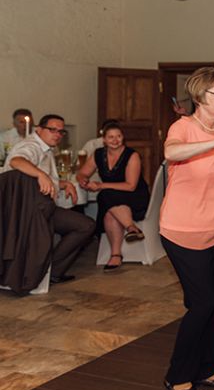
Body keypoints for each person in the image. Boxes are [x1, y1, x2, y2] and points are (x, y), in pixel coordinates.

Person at [159, 67, 214, 390]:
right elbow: (171, 152)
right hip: (183, 231)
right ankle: (177, 376)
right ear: (199, 97)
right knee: (202, 303)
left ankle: (209, 367)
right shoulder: (184, 127)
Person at [2, 114, 95, 284]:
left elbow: (47, 180)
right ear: (39, 129)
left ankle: (51, 270)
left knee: (86, 225)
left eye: (61, 131)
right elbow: (16, 161)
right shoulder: (32, 145)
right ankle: (43, 269)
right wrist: (40, 174)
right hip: (25, 212)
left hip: (41, 208)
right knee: (84, 225)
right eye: (53, 130)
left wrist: (63, 183)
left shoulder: (47, 149)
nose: (58, 134)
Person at [76, 121, 150, 272]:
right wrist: (83, 180)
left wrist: (101, 185)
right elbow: (83, 172)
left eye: (118, 136)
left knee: (105, 195)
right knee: (109, 209)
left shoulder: (132, 155)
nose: (115, 140)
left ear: (123, 138)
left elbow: (131, 186)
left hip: (135, 197)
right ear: (104, 139)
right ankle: (125, 240)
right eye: (111, 137)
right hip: (114, 200)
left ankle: (127, 233)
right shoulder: (98, 154)